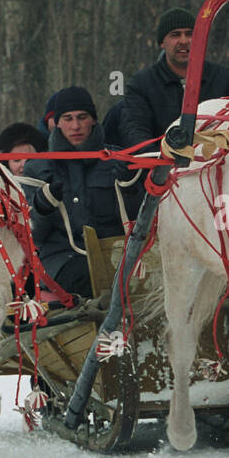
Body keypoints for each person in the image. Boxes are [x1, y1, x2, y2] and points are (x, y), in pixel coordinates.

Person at [24, 87, 141, 299]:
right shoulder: (36, 169)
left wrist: (130, 188)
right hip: (61, 260)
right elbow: (32, 235)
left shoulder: (117, 161)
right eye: (67, 119)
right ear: (56, 123)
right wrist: (41, 207)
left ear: (94, 120)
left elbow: (139, 220)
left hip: (115, 254)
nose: (75, 126)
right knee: (93, 279)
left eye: (82, 117)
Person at [116, 7, 229, 150]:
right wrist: (159, 160)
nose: (183, 41)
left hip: (217, 165)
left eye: (189, 34)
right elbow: (134, 129)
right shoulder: (142, 84)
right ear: (162, 43)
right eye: (175, 35)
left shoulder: (225, 79)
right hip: (162, 164)